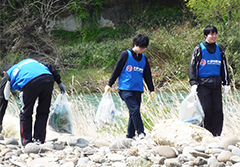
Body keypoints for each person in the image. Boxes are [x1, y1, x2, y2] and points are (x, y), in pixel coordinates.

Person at [0, 58, 66, 146]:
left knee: (25, 113)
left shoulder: (8, 74)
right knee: (43, 112)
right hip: (48, 79)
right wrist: (60, 83)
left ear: (4, 73)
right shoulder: (29, 61)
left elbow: (2, 100)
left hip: (29, 82)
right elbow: (50, 66)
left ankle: (27, 142)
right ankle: (39, 140)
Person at [105, 34, 156, 140]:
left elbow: (147, 75)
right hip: (125, 89)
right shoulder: (125, 55)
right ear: (135, 44)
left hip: (138, 89)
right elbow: (117, 70)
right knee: (135, 110)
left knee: (133, 112)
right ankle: (141, 133)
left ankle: (130, 136)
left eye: (144, 47)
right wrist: (110, 84)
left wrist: (152, 90)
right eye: (140, 47)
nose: (142, 49)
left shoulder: (144, 59)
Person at [188, 25, 230, 136]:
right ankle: (206, 133)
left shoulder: (219, 49)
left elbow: (224, 67)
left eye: (215, 34)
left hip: (216, 84)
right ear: (206, 35)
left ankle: (216, 134)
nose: (214, 36)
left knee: (217, 110)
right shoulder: (199, 49)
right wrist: (193, 83)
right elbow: (192, 66)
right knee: (206, 109)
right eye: (211, 34)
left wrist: (226, 83)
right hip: (203, 84)